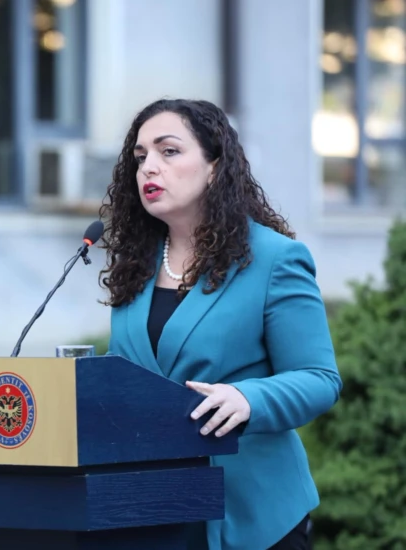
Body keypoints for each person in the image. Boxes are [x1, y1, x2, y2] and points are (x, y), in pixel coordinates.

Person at [100, 98, 341, 550]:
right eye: (140, 156)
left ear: (214, 166)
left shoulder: (274, 259)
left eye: (169, 151)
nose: (149, 166)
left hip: (251, 517)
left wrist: (248, 399)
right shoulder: (136, 265)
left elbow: (319, 378)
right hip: (151, 515)